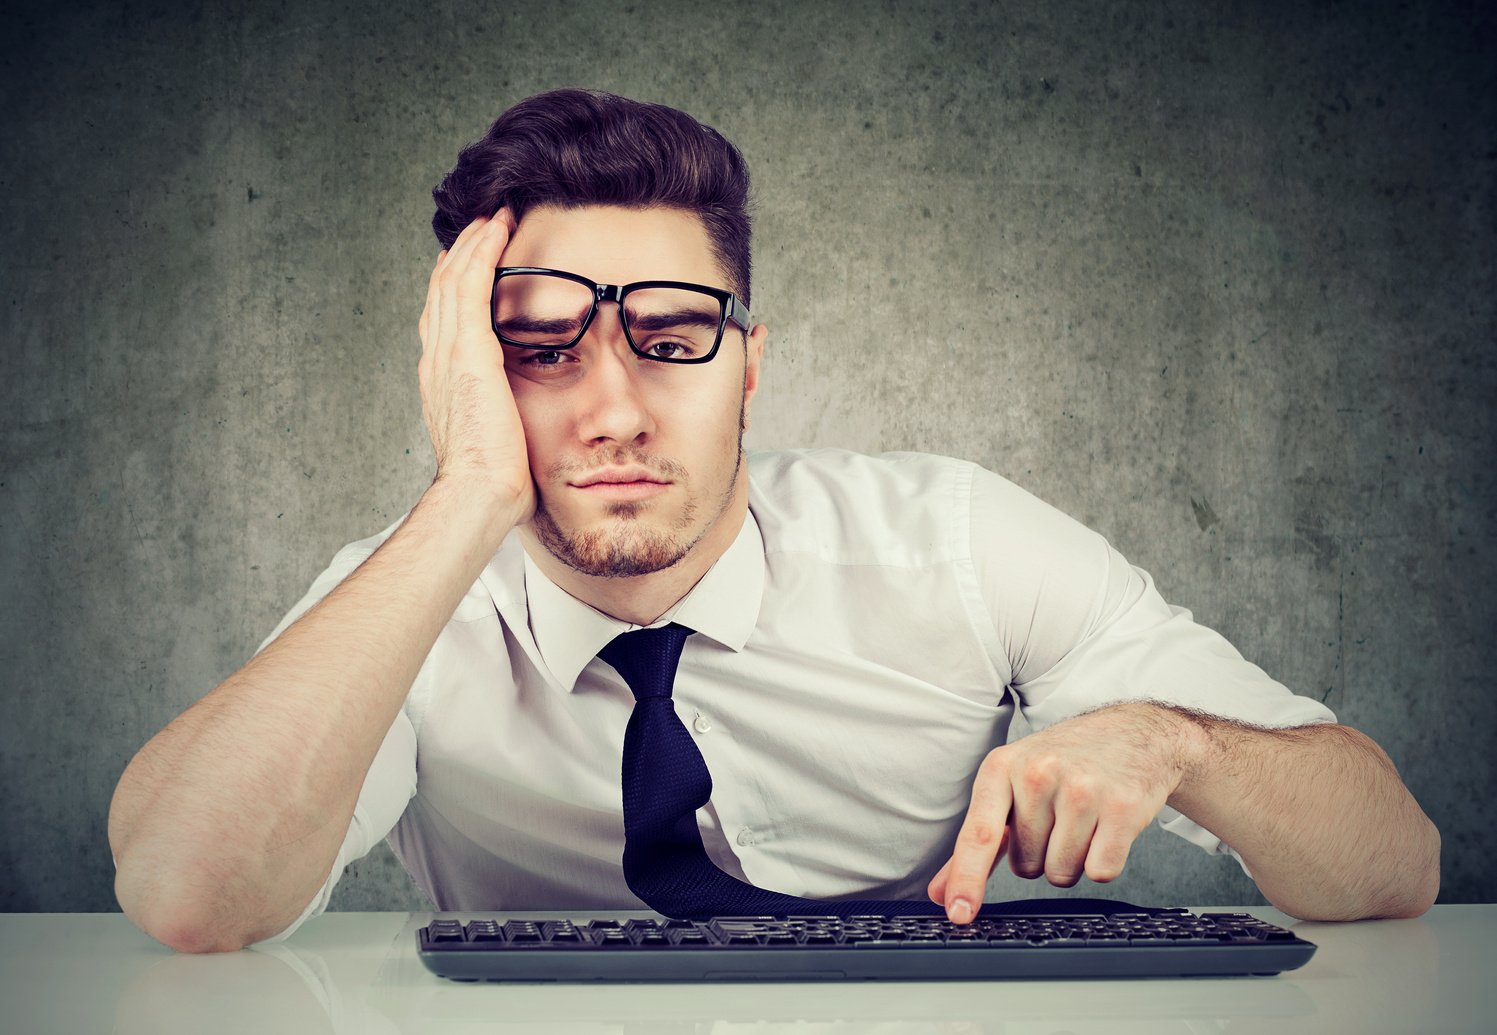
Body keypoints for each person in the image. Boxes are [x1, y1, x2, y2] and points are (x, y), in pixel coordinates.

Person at [108, 89, 1440, 955]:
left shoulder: (957, 543)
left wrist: (1171, 741)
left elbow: (1389, 864)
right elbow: (186, 895)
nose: (614, 410)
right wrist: (467, 490)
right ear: (462, 367)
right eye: (537, 346)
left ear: (747, 363)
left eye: (673, 337)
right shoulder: (398, 605)